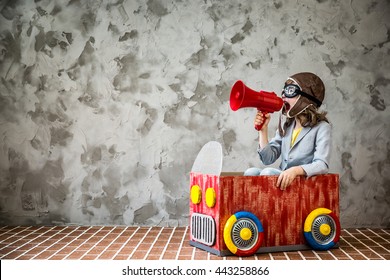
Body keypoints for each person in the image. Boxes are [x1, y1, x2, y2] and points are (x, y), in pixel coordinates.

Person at [244, 72, 331, 191]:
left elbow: (322, 165)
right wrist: (263, 130)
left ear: (306, 97)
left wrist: (295, 170)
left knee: (268, 173)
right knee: (251, 172)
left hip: (303, 182)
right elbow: (268, 159)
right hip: (284, 179)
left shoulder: (322, 127)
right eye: (284, 91)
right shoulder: (287, 126)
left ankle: (273, 208)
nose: (283, 96)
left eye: (290, 91)